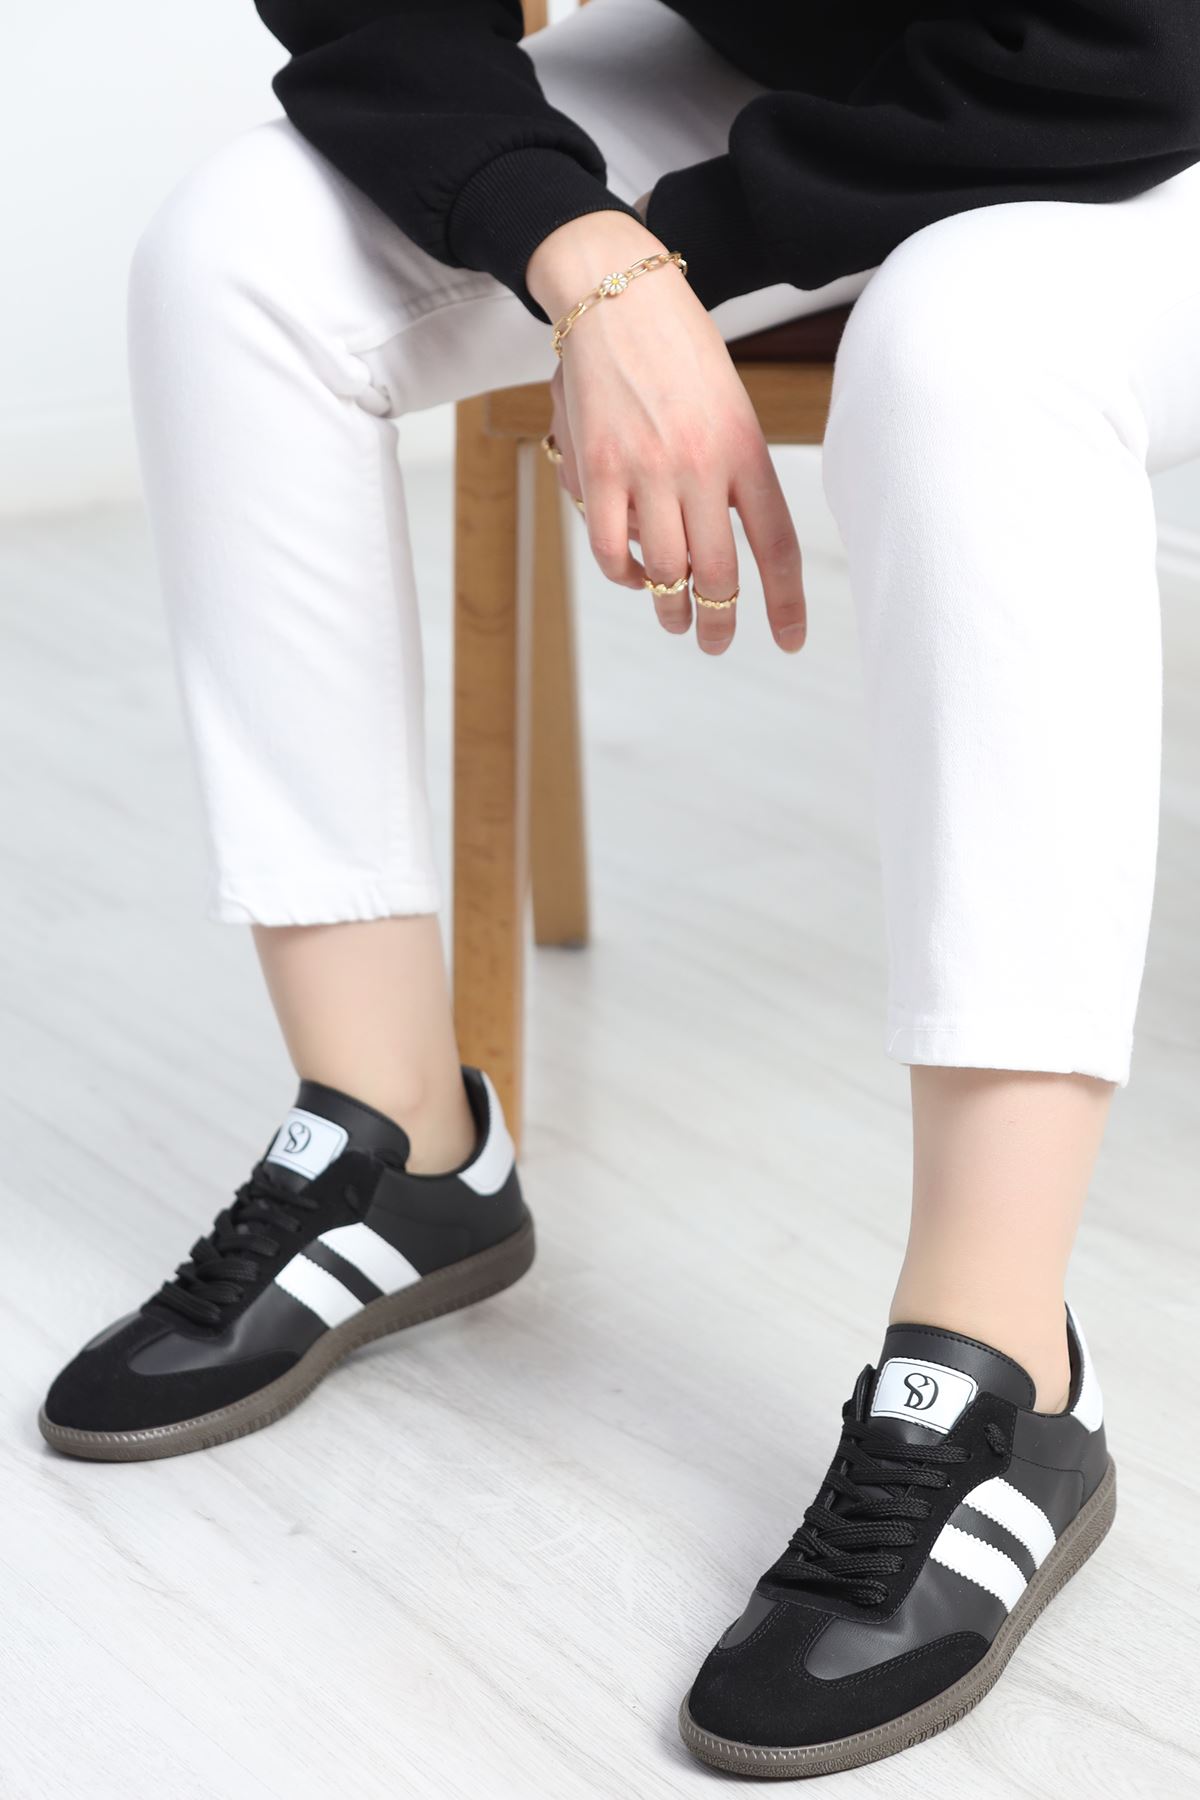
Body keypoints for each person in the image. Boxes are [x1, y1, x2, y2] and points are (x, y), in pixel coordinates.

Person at [39, 0, 1200, 1777]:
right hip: (819, 72)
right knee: (236, 254)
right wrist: (581, 248)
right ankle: (399, 1137)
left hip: (1145, 103)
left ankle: (998, 1372)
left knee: (969, 347)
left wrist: (667, 257)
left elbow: (1129, 62)